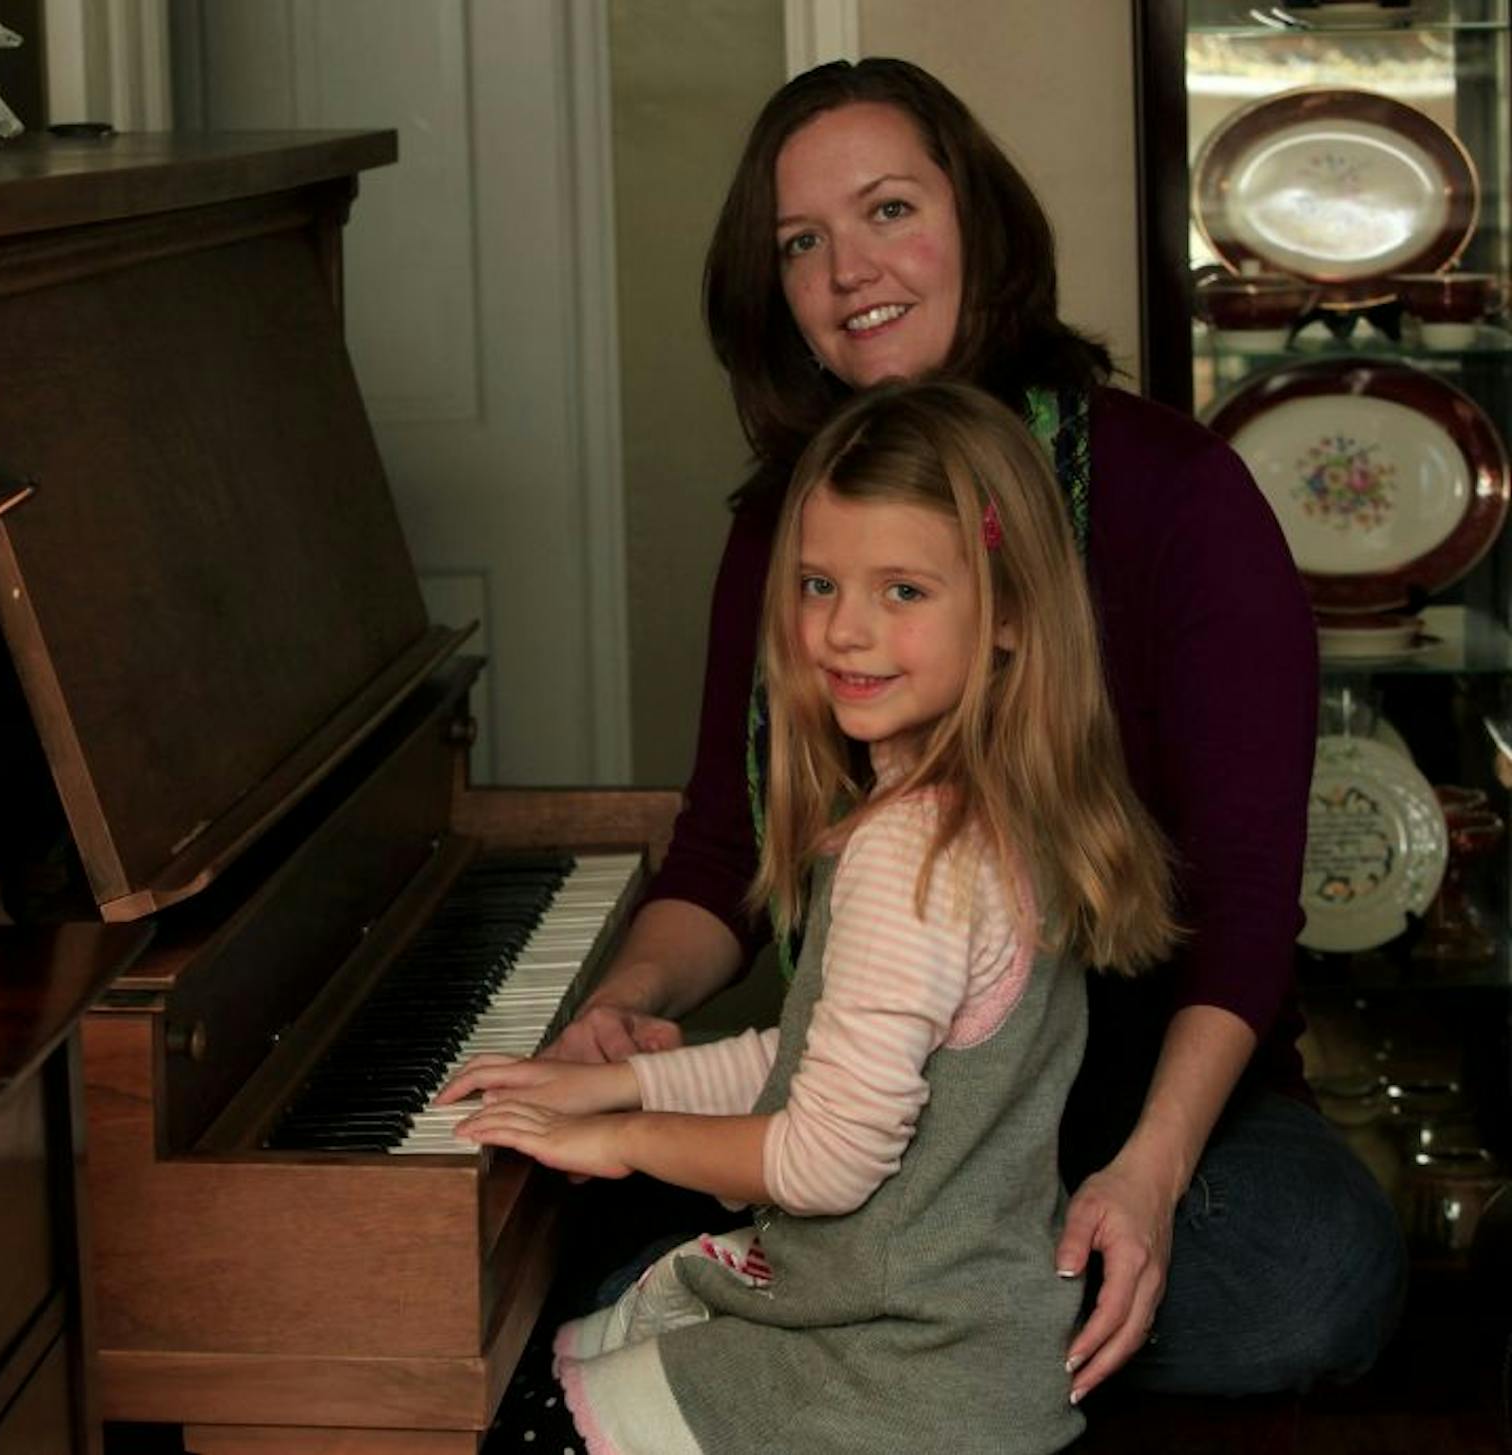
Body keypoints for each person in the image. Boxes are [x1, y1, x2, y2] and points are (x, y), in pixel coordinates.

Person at [542, 56, 1403, 1403]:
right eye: (801, 242)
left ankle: (895, 1336)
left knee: (1303, 1275)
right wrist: (626, 1005)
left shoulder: (1178, 492)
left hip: (1156, 1105)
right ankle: (942, 1340)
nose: (848, 268)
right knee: (579, 1225)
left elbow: (1243, 913)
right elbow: (723, 850)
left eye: (888, 209)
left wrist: (1147, 1177)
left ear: (975, 221)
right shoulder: (779, 528)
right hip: (884, 1111)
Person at [440, 378, 1178, 1454]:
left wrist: (620, 1140)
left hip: (875, 1377)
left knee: (510, 1413)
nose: (844, 629)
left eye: (905, 592)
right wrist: (617, 1077)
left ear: (1012, 611)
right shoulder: (996, 817)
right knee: (579, 1345)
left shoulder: (907, 853)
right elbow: (816, 1062)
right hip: (967, 1362)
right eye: (819, 583)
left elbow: (826, 1159)